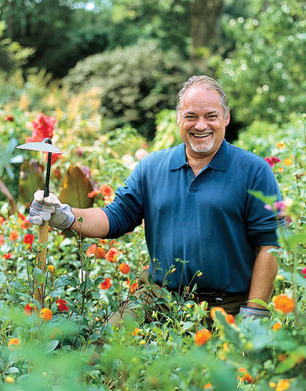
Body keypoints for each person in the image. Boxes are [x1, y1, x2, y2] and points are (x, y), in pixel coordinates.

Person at [29, 75, 282, 325]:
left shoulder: (254, 171)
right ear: (178, 119)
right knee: (100, 355)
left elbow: (270, 244)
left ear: (226, 118)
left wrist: (254, 313)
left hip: (227, 307)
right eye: (191, 116)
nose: (201, 125)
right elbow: (115, 216)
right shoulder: (152, 168)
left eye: (211, 116)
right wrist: (66, 215)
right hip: (159, 299)